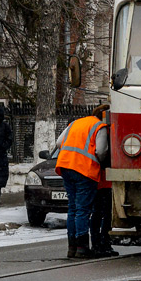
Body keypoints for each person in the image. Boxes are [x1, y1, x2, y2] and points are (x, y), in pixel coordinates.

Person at [55, 103, 110, 259]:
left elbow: (59, 142)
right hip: (84, 170)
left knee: (72, 208)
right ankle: (82, 247)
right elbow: (101, 151)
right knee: (83, 210)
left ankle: (71, 247)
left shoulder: (75, 123)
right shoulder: (100, 127)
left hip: (65, 166)